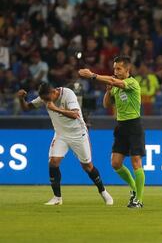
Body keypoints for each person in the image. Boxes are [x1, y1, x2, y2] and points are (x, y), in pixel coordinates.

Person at [17, 83, 113, 206]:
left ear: (53, 92)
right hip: (60, 135)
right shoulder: (44, 97)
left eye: (47, 99)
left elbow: (75, 114)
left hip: (78, 134)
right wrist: (21, 99)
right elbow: (26, 108)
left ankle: (103, 191)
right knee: (53, 162)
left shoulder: (68, 94)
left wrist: (55, 109)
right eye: (44, 99)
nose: (45, 102)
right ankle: (57, 198)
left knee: (87, 166)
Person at [78, 56, 145, 208]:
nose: (115, 71)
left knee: (136, 162)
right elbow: (106, 103)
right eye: (114, 68)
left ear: (128, 70)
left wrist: (93, 75)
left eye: (119, 69)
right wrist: (108, 91)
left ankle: (138, 200)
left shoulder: (131, 83)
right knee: (115, 163)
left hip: (134, 125)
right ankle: (134, 188)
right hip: (121, 126)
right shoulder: (114, 85)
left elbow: (116, 82)